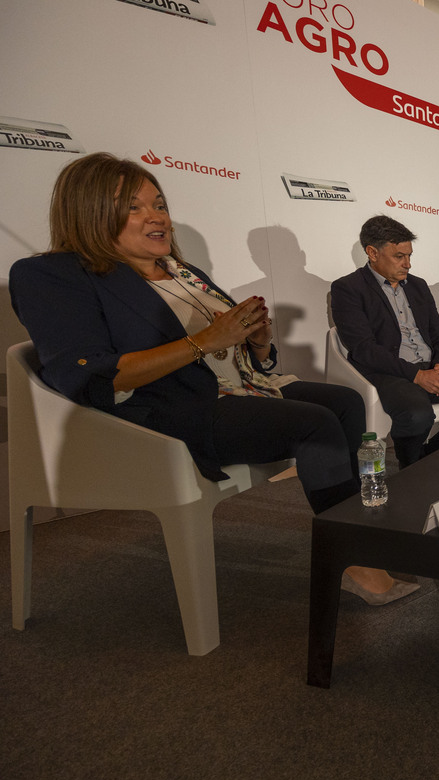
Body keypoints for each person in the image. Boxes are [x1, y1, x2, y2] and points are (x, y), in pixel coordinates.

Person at [9, 153, 412, 605]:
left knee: (345, 401)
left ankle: (363, 529)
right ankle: (355, 561)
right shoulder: (53, 274)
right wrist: (205, 340)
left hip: (230, 387)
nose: (157, 217)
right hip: (156, 410)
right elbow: (85, 375)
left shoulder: (184, 274)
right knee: (315, 423)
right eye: (134, 207)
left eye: (159, 204)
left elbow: (248, 361)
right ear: (89, 212)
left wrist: (256, 340)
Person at [331, 215, 439, 467]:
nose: (407, 263)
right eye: (399, 256)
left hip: (429, 367)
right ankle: (410, 466)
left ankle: (427, 457)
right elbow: (364, 350)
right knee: (418, 415)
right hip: (387, 372)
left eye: (409, 256)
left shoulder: (418, 286)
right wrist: (417, 376)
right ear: (372, 253)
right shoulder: (348, 288)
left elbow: (438, 334)